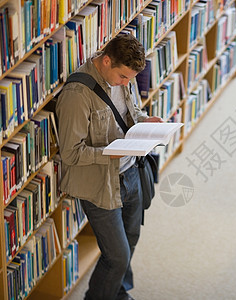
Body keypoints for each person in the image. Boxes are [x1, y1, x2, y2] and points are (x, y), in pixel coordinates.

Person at [56, 33, 162, 300]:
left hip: (131, 172)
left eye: (130, 78)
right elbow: (70, 153)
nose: (127, 83)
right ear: (106, 61)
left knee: (132, 238)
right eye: (124, 77)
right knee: (117, 256)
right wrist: (110, 154)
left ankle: (118, 292)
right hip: (101, 184)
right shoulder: (77, 95)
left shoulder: (121, 77)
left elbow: (128, 111)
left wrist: (144, 119)